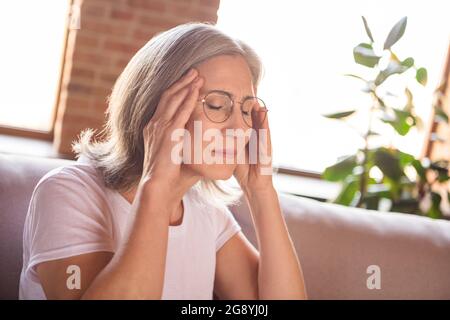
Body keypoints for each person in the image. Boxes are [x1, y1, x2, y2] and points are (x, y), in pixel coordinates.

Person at [19, 22, 307, 300]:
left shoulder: (206, 212)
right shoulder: (68, 193)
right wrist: (156, 185)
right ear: (156, 107)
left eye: (246, 109)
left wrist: (261, 191)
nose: (241, 128)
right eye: (218, 105)